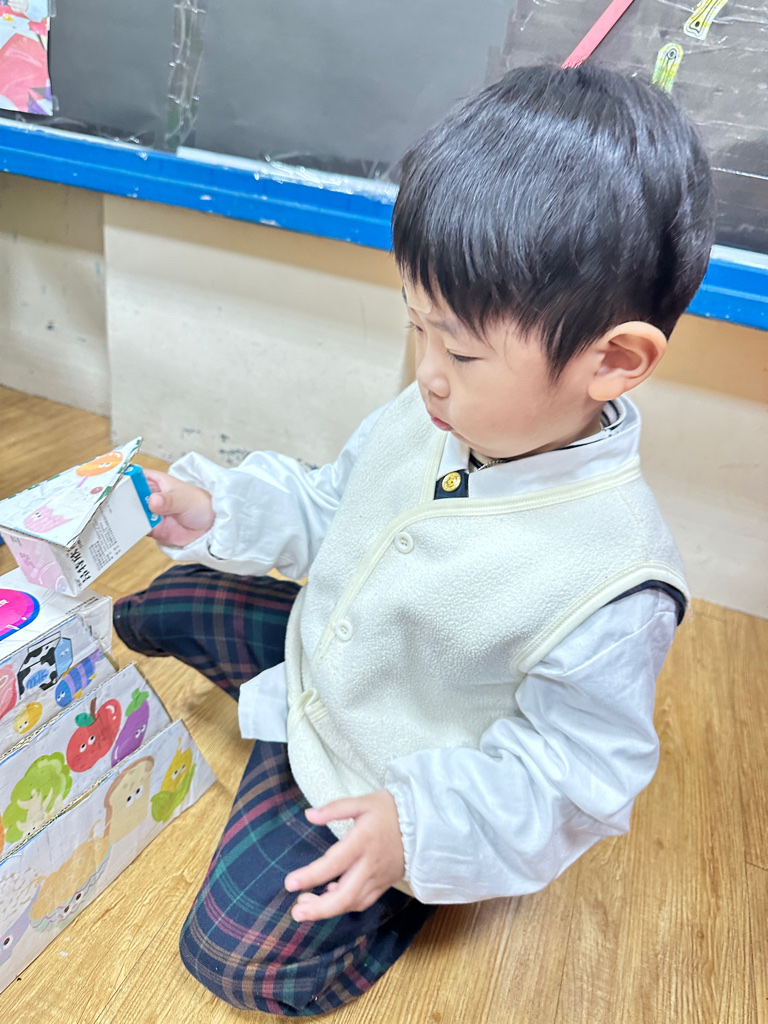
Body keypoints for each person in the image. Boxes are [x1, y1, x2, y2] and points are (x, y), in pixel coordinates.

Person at [114, 63, 715, 1016]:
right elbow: (335, 509)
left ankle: (392, 889)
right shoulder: (436, 410)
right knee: (161, 600)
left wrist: (419, 832)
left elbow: (575, 780)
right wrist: (220, 509)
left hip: (386, 778)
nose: (428, 372)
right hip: (330, 660)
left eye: (461, 350)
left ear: (613, 359)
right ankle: (254, 682)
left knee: (236, 958)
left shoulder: (615, 583)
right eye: (418, 328)